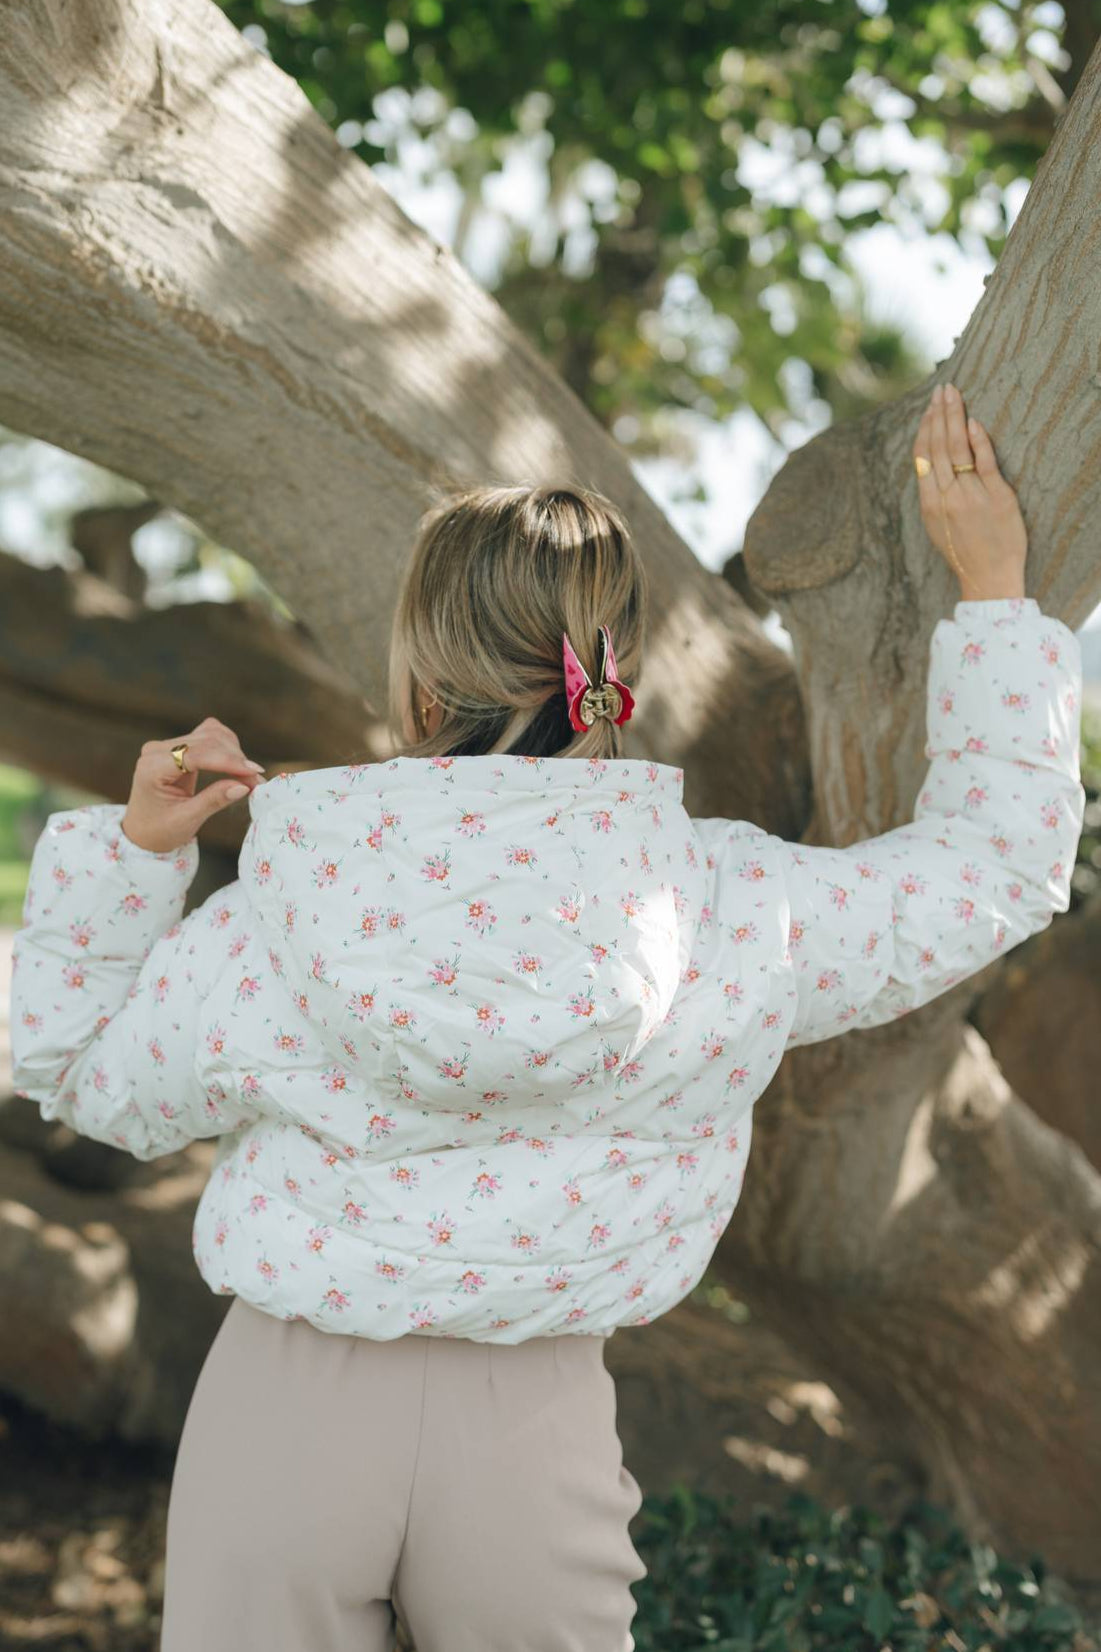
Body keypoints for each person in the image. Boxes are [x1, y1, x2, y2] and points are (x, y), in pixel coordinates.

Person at [9, 382, 1085, 1652]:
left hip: (285, 1400)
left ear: (415, 678)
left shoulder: (285, 902)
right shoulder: (726, 905)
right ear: (608, 680)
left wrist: (137, 849)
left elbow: (73, 1066)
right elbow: (997, 868)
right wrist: (998, 591)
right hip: (534, 1411)